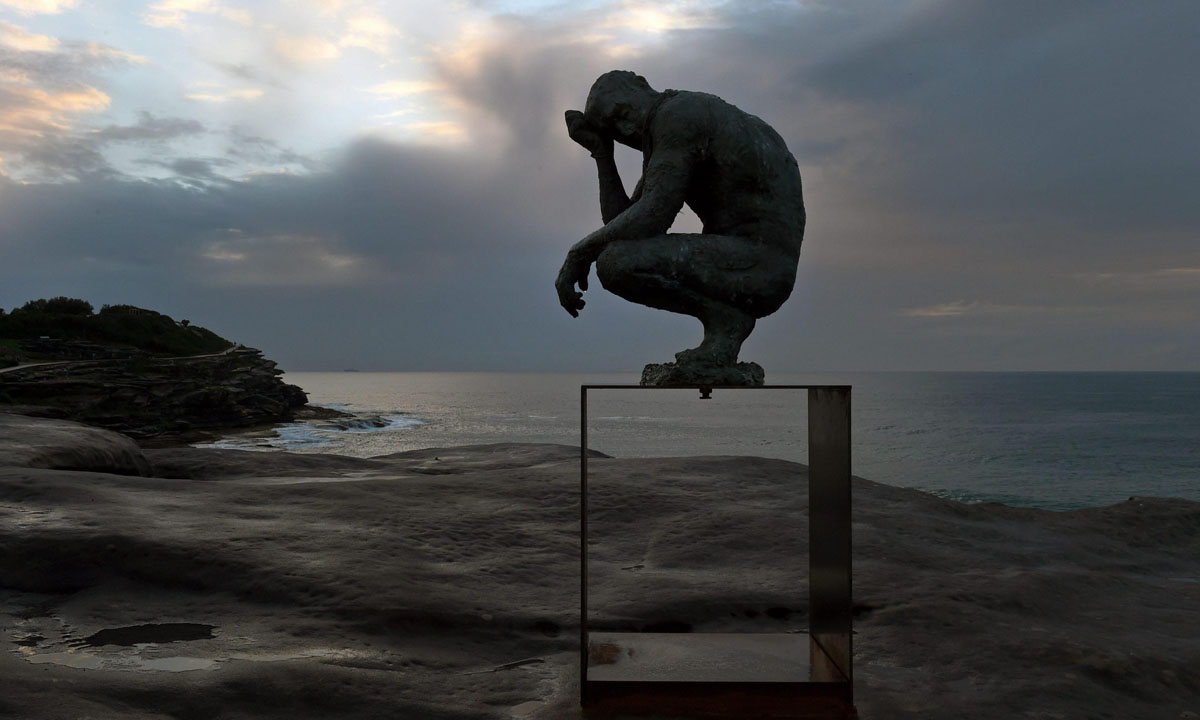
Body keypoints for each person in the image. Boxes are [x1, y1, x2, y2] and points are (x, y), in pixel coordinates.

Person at [555, 71, 805, 373]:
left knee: (616, 263)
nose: (626, 128)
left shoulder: (679, 116)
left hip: (760, 265)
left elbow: (652, 217)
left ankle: (726, 322)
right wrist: (602, 152)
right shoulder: (668, 128)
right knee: (616, 255)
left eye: (623, 113)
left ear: (642, 87)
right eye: (615, 131)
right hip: (748, 261)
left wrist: (579, 252)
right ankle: (725, 322)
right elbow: (623, 223)